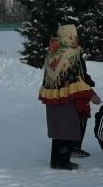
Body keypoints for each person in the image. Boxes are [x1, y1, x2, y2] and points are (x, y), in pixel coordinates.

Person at [38, 24, 99, 170]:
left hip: (52, 96)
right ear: (69, 36)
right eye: (74, 36)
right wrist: (91, 94)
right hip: (66, 97)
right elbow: (74, 78)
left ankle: (55, 160)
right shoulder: (70, 53)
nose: (76, 39)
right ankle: (63, 161)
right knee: (67, 129)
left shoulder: (53, 51)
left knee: (58, 131)